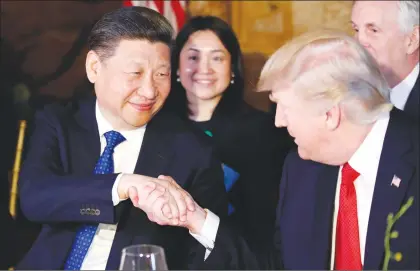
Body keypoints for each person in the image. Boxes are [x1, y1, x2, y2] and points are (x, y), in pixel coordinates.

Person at [147, 29, 419, 270]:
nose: (278, 121)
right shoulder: (302, 167)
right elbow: (276, 266)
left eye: (284, 107)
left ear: (330, 114)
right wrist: (196, 218)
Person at [16, 7, 227, 270]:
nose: (150, 91)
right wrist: (121, 185)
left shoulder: (193, 150)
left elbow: (215, 248)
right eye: (135, 73)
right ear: (95, 68)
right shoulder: (59, 122)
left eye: (161, 74)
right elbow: (35, 198)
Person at [163, 15, 293, 248]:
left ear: (232, 68)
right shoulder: (157, 126)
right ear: (177, 67)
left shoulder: (265, 132)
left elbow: (265, 220)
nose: (204, 68)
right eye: (193, 57)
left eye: (217, 58)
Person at [351, 0, 419, 120]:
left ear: (412, 40)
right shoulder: (348, 92)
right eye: (356, 29)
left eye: (373, 30)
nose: (358, 42)